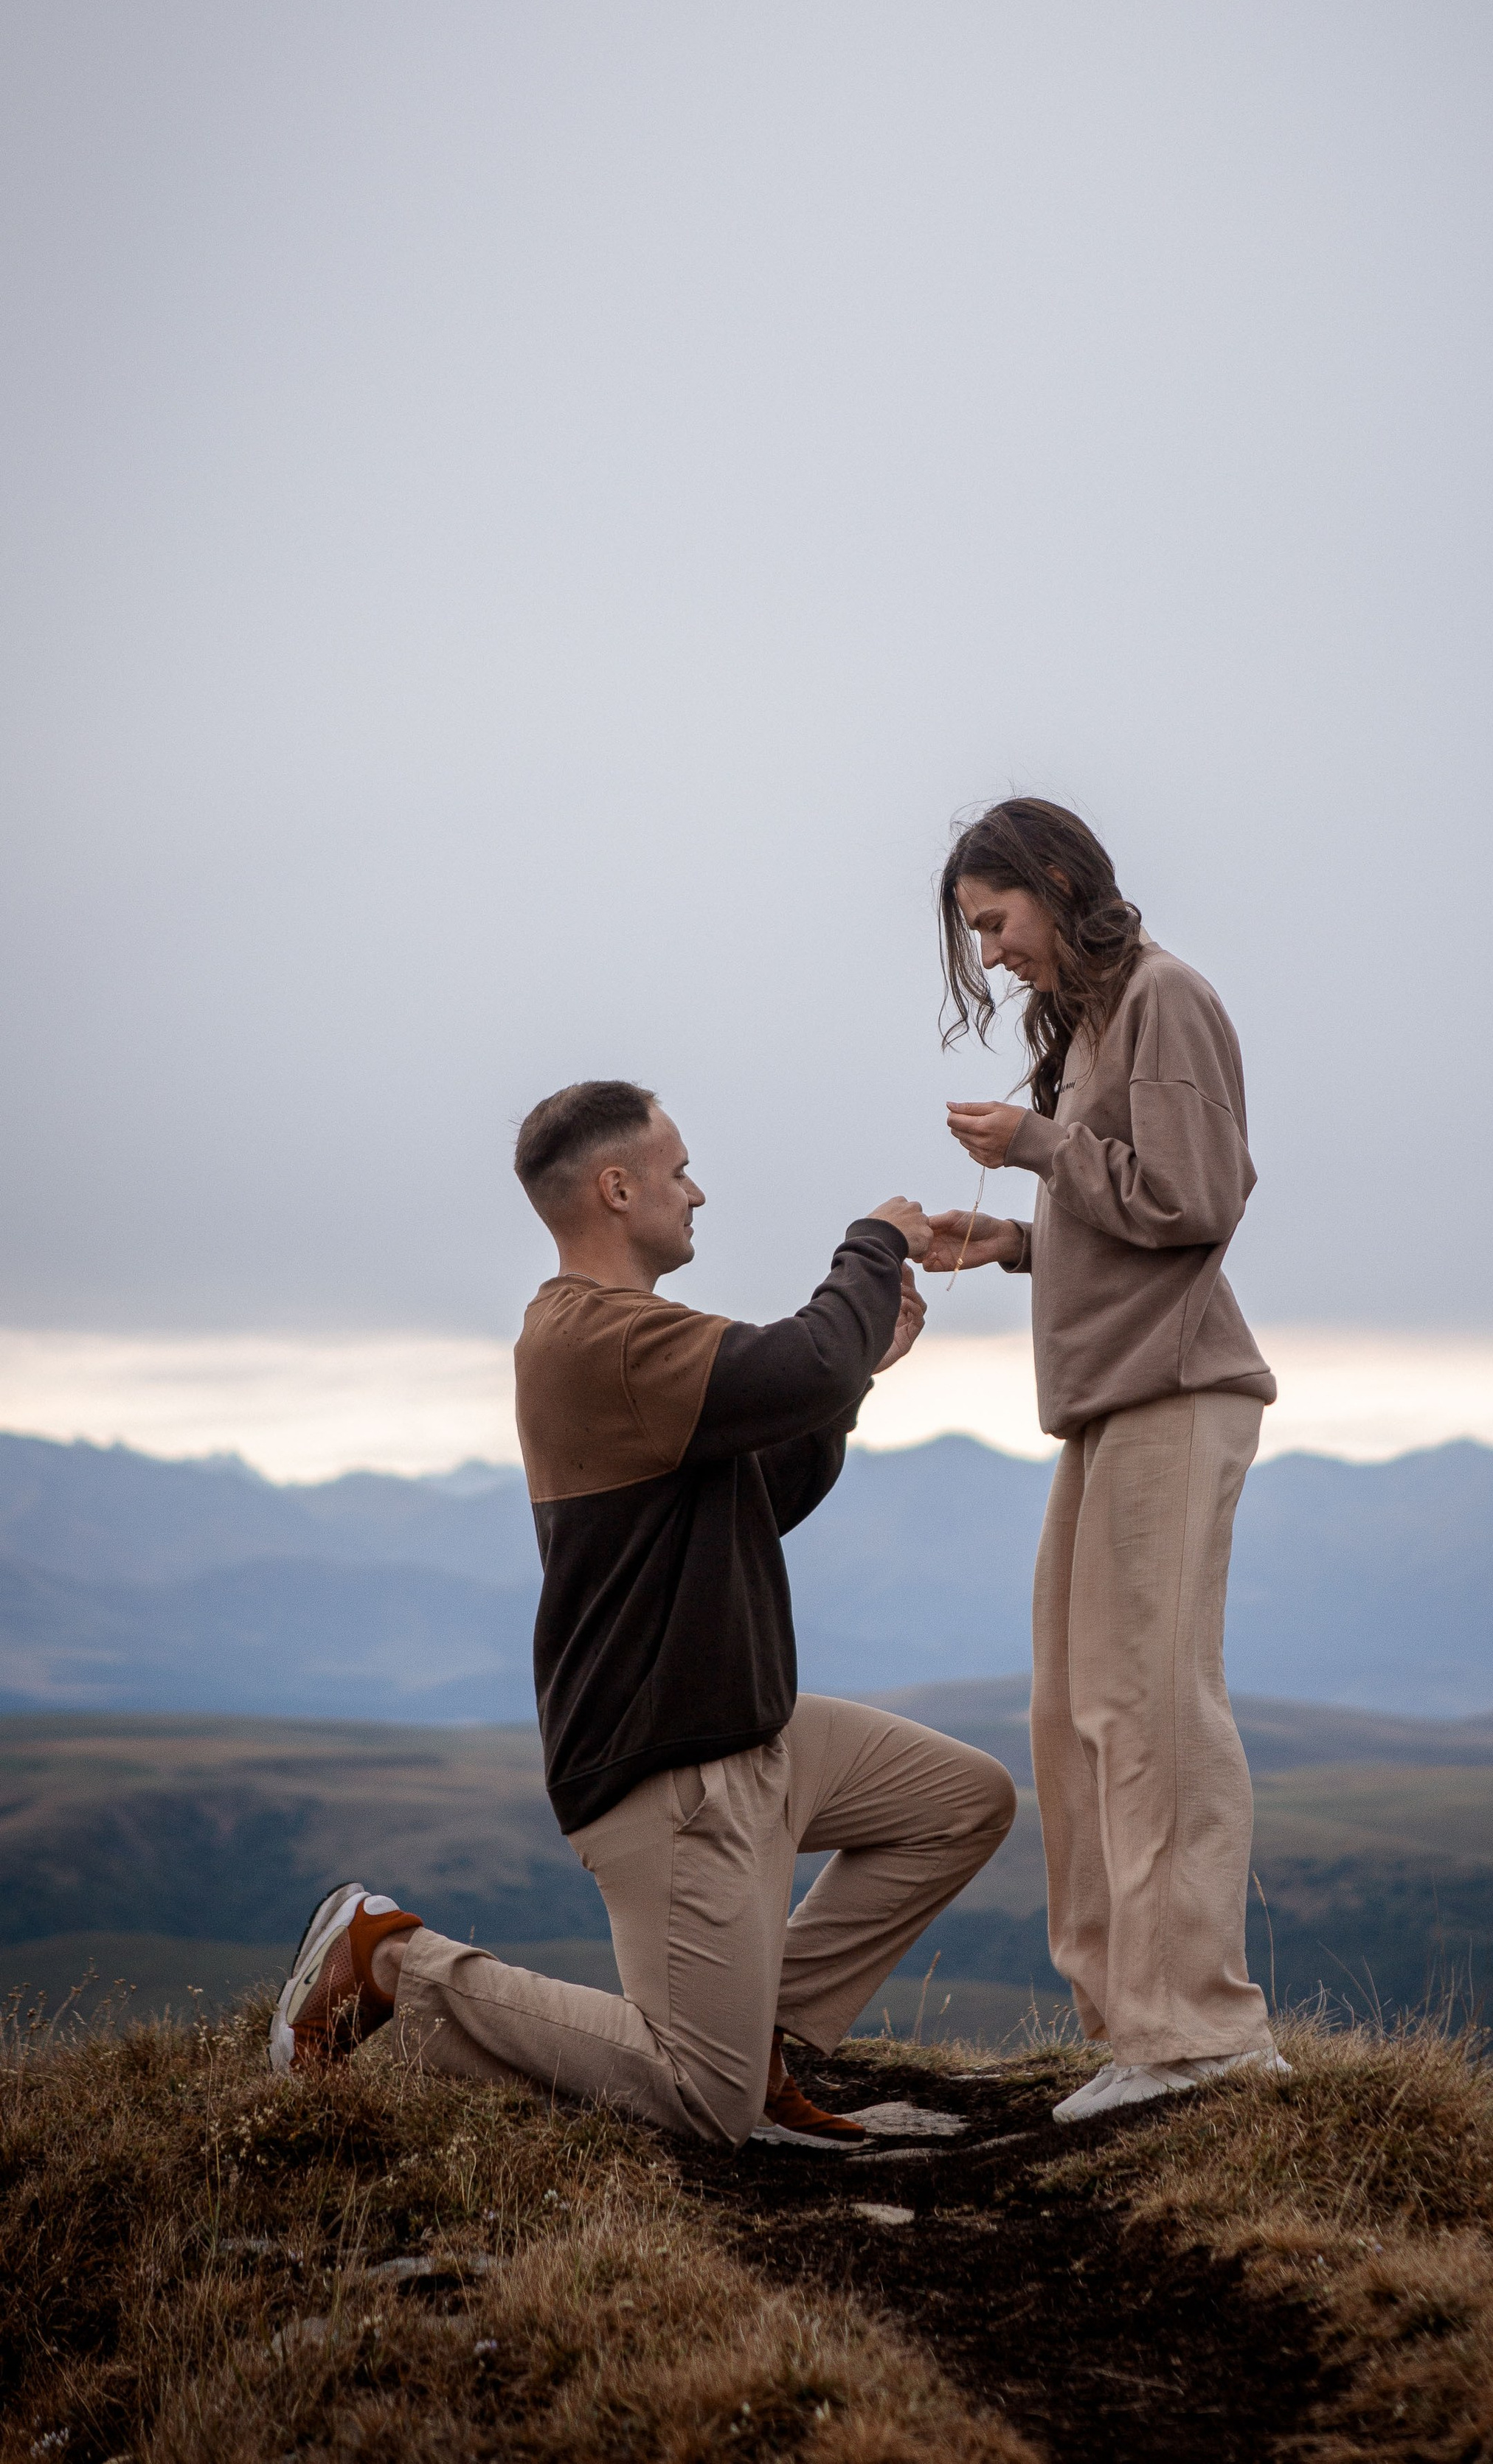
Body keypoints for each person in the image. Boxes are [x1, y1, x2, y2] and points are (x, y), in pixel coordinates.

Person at [270, 1078, 1015, 2147]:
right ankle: (387, 1962)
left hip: (745, 1731)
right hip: (669, 1764)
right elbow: (803, 1359)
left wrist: (855, 1379)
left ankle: (763, 2040)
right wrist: (872, 1241)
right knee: (702, 2109)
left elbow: (770, 1493)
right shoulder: (595, 1338)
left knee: (960, 1800)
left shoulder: (635, 1338)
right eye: (679, 1172)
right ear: (618, 1189)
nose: (698, 1192)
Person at [924, 797, 1289, 2122]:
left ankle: (1199, 2035)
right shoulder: (1089, 1025)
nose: (992, 954)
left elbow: (1198, 1198)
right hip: (1109, 1400)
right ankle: (1133, 2022)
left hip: (1174, 1391)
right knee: (1075, 1714)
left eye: (997, 922)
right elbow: (1128, 1201)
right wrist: (1018, 1243)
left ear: (1061, 882)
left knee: (1153, 1711)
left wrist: (1033, 1147)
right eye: (976, 933)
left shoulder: (1164, 999)